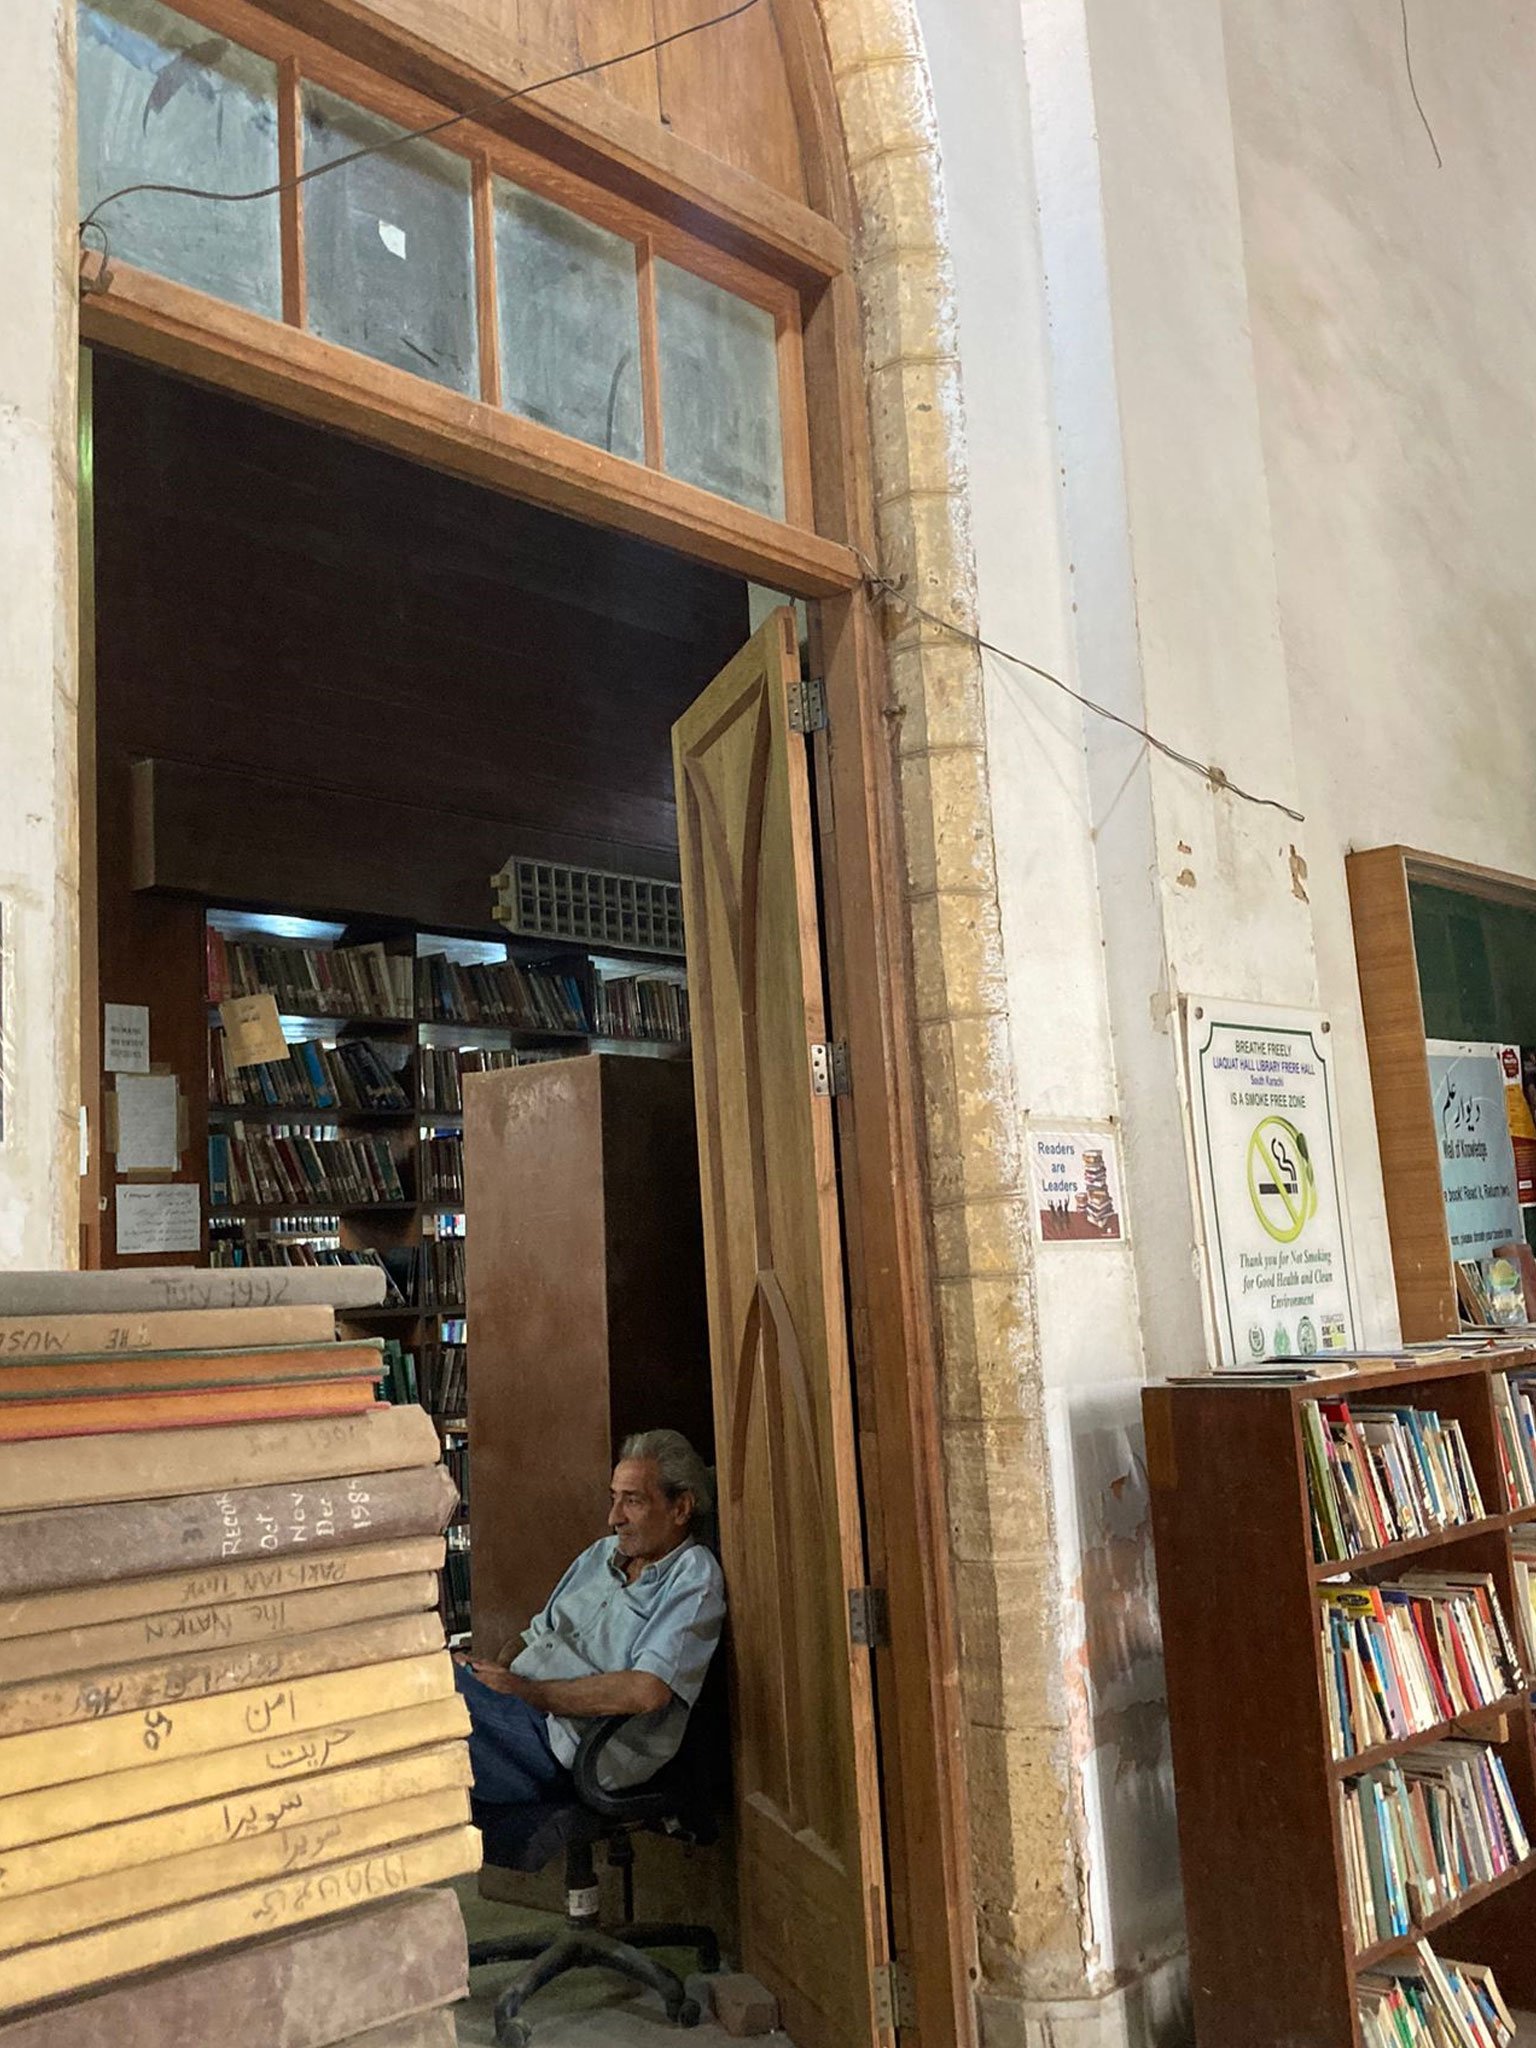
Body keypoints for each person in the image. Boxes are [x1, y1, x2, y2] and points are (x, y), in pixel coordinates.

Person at [453, 1429, 725, 1803]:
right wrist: (495, 1675)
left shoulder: (694, 1576)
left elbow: (648, 1690)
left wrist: (528, 1693)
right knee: (427, 1683)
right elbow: (534, 1635)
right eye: (614, 1499)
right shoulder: (601, 1555)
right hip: (521, 1709)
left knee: (421, 1715)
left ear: (680, 1508)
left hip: (568, 1747)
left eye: (633, 1501)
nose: (614, 1517)